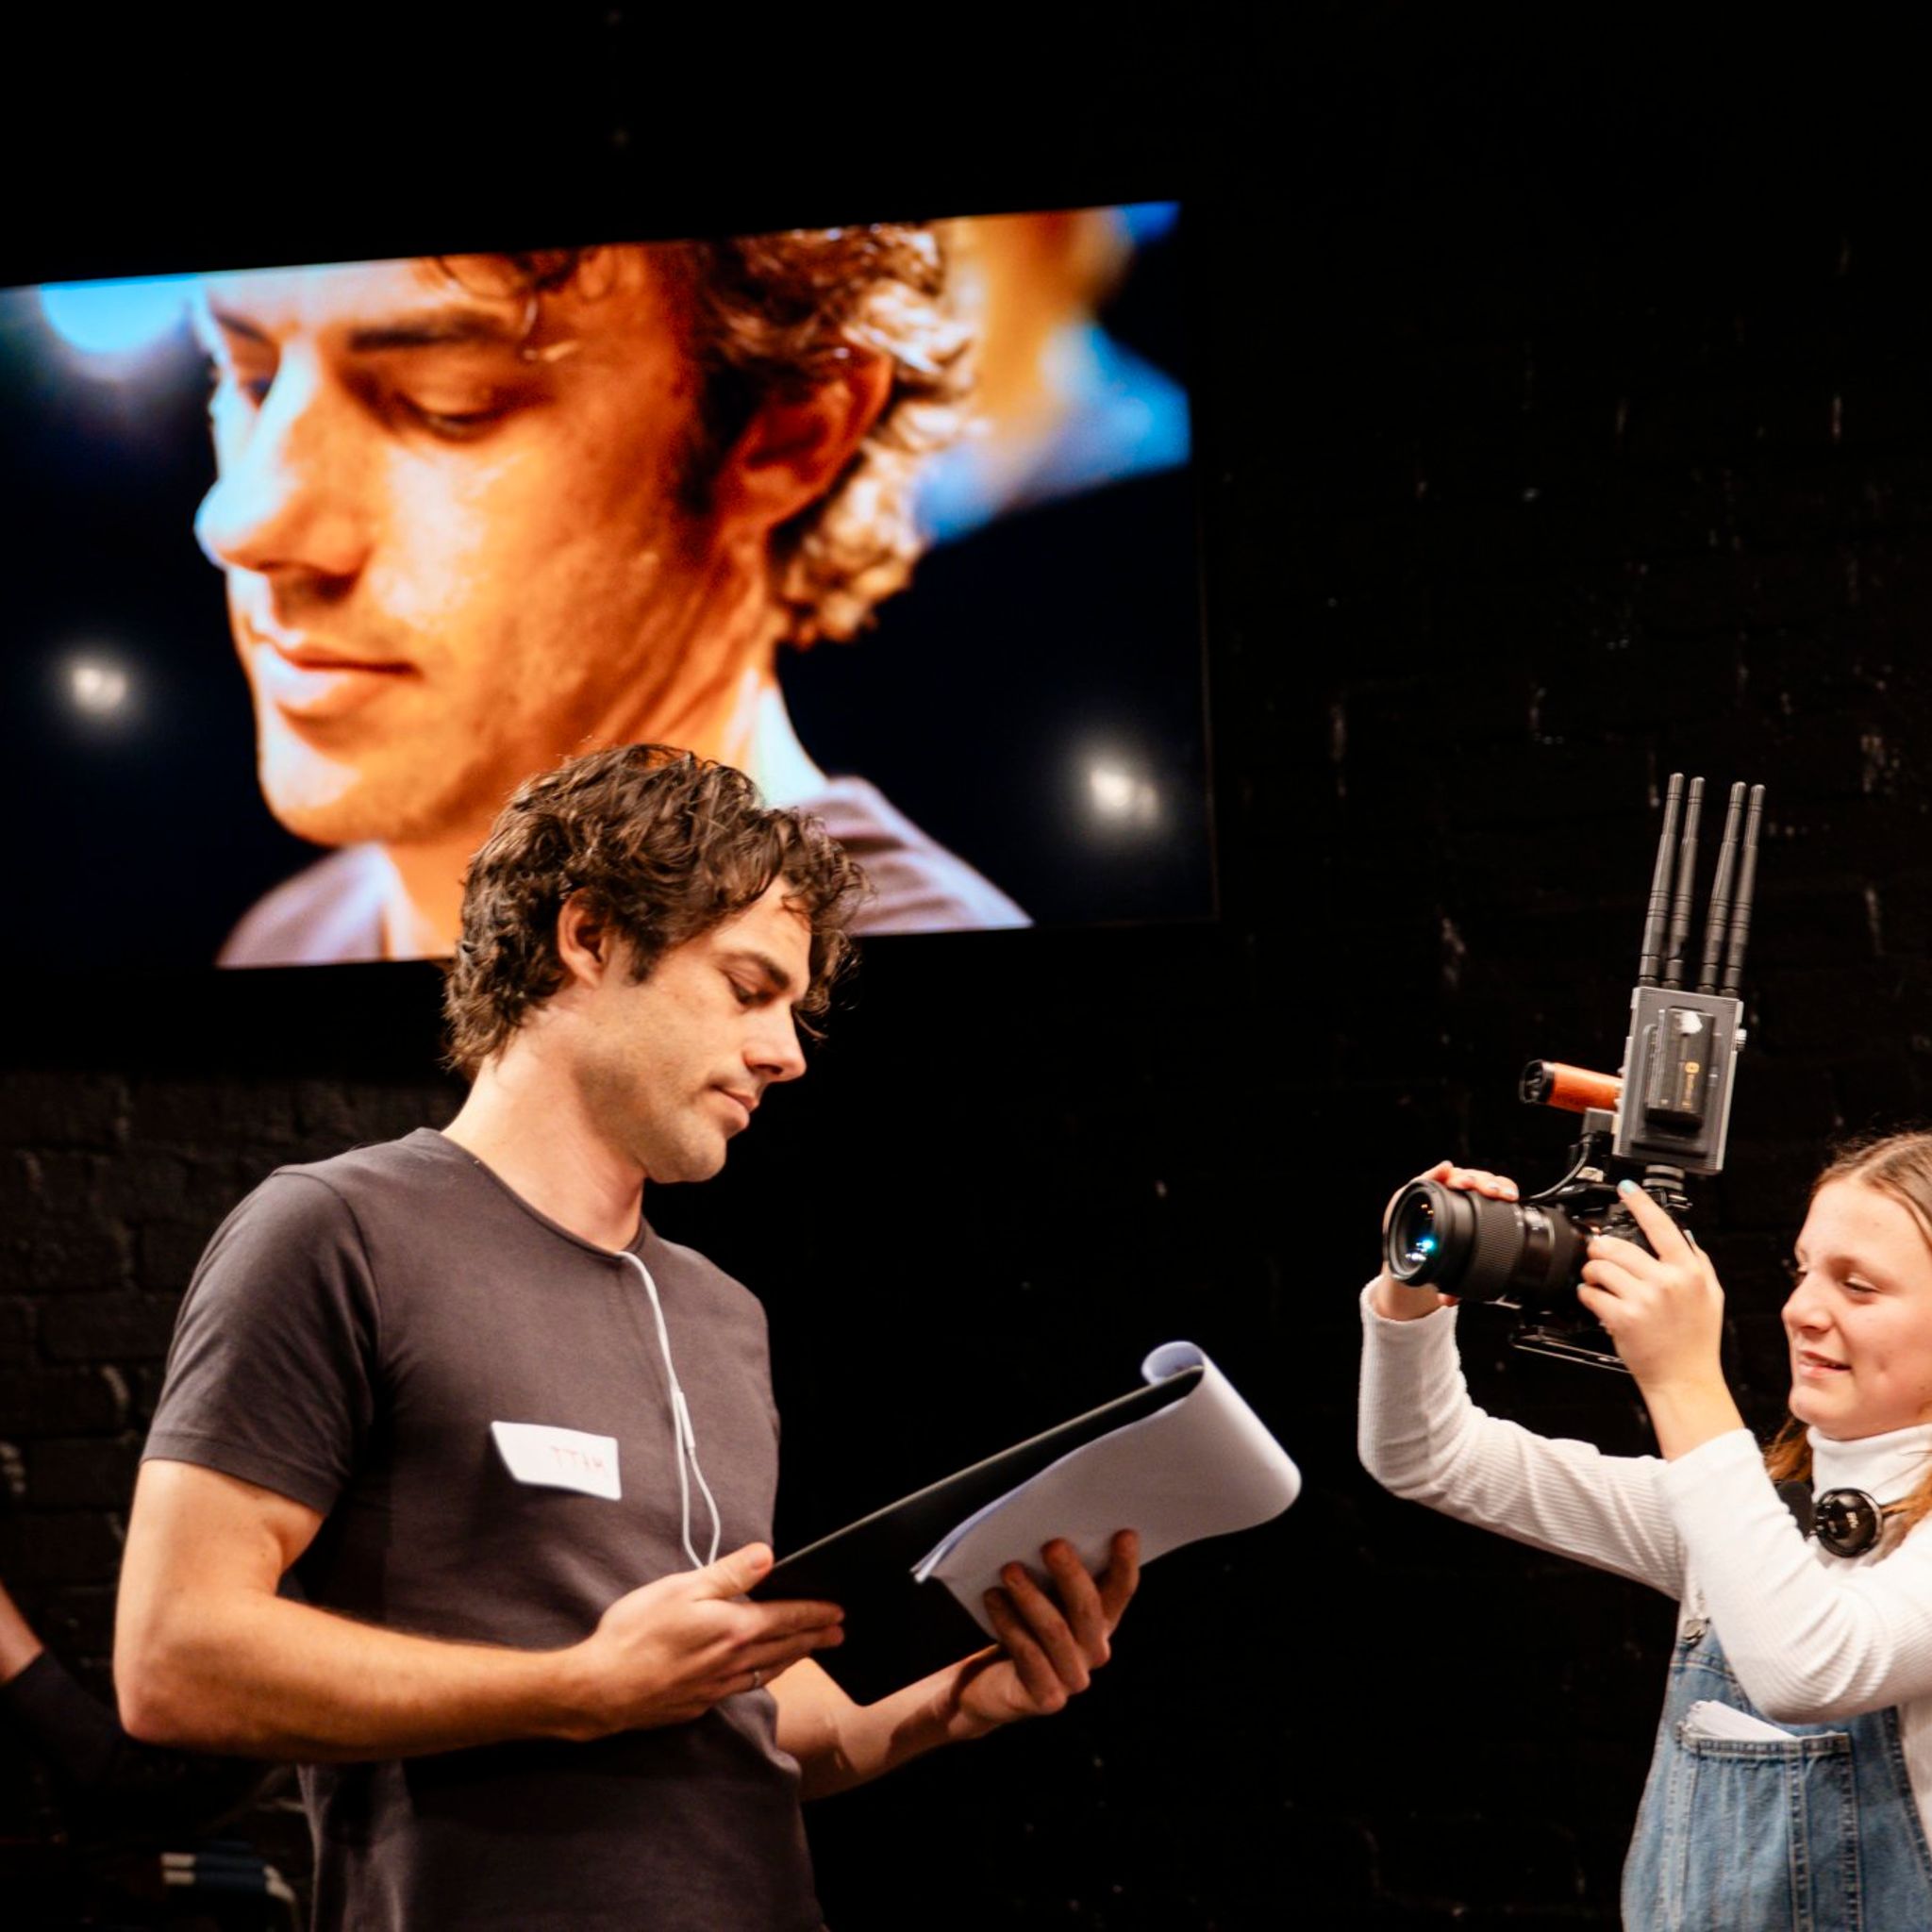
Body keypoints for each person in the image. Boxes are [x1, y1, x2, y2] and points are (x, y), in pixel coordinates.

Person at [114, 744, 1139, 1931]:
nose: (787, 1052)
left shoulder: (721, 1310)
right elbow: (173, 1655)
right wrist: (573, 1689)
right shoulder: (339, 1231)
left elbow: (735, 1721)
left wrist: (938, 1707)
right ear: (590, 938)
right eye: (749, 988)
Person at [192, 230, 1027, 967]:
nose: (241, 522)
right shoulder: (289, 936)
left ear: (789, 432)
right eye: (252, 379)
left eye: (446, 402)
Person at [1359, 1139, 1932, 1930]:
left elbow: (1814, 1668)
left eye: (1858, 1287)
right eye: (1803, 1271)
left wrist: (1683, 1379)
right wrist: (1411, 1294)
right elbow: (1426, 1456)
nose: (1801, 1309)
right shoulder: (1754, 1513)